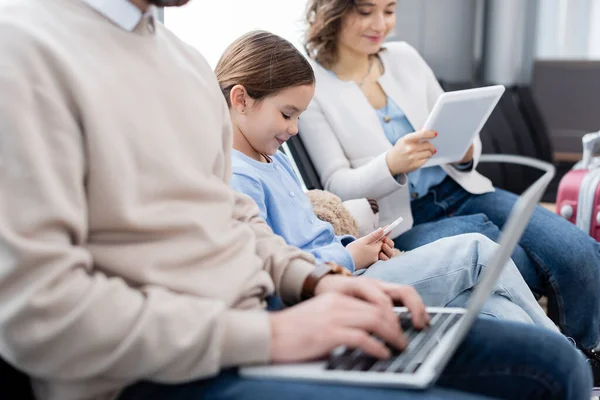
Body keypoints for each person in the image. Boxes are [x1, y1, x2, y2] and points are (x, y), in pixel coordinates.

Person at [0, 1, 592, 400]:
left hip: (262, 322)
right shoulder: (25, 52)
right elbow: (41, 314)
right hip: (167, 369)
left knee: (556, 368)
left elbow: (234, 220)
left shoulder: (178, 61)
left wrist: (317, 283)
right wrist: (275, 338)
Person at [297, 0, 600, 378]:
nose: (380, 24)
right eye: (365, 11)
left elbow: (458, 127)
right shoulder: (312, 85)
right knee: (513, 261)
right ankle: (566, 362)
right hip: (405, 218)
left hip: (461, 188)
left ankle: (591, 355)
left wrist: (466, 149)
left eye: (389, 10)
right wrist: (392, 164)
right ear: (333, 12)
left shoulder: (404, 57)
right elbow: (336, 185)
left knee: (578, 251)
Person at [218, 30, 556, 330]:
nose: (293, 129)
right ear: (241, 99)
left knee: (495, 306)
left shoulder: (272, 159)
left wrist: (354, 246)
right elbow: (273, 272)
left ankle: (567, 373)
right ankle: (571, 365)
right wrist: (352, 258)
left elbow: (309, 239)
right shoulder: (238, 178)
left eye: (298, 118)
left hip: (349, 271)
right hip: (331, 291)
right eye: (287, 115)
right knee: (477, 250)